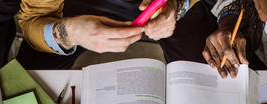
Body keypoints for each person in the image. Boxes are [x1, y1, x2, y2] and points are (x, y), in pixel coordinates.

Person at [15, 0, 203, 70]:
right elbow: (32, 20)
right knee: (27, 83)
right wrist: (69, 33)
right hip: (74, 11)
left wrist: (177, 6)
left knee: (203, 73)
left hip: (163, 6)